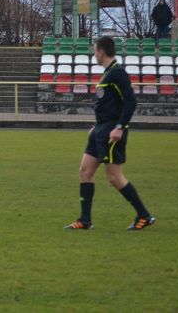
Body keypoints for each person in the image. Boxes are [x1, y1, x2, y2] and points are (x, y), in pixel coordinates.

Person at [64, 36, 155, 231]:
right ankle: (85, 220)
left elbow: (130, 102)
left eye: (94, 50)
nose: (93, 54)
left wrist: (119, 127)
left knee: (114, 177)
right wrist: (98, 126)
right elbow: (109, 103)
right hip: (101, 129)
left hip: (112, 131)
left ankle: (144, 215)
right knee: (85, 171)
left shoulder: (118, 73)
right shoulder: (109, 73)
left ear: (101, 51)